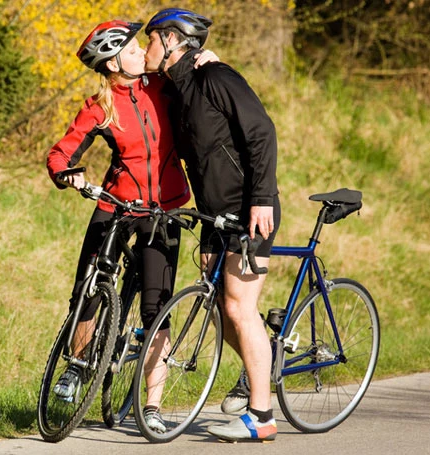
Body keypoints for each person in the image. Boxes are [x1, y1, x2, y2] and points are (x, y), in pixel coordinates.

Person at [46, 20, 217, 434]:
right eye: (134, 48)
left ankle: (152, 406)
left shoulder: (164, 86)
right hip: (117, 203)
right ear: (115, 60)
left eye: (144, 46)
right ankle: (78, 365)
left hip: (165, 210)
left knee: (157, 309)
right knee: (89, 283)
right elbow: (61, 152)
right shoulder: (98, 107)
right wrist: (66, 173)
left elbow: (201, 77)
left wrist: (209, 62)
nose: (144, 51)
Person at [143, 8, 281, 443]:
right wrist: (205, 226)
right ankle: (266, 358)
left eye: (150, 39)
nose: (145, 47)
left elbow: (261, 133)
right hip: (214, 215)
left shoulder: (217, 78)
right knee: (223, 306)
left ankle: (261, 417)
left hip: (248, 209)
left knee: (240, 307)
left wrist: (261, 199)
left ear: (170, 40)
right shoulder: (178, 88)